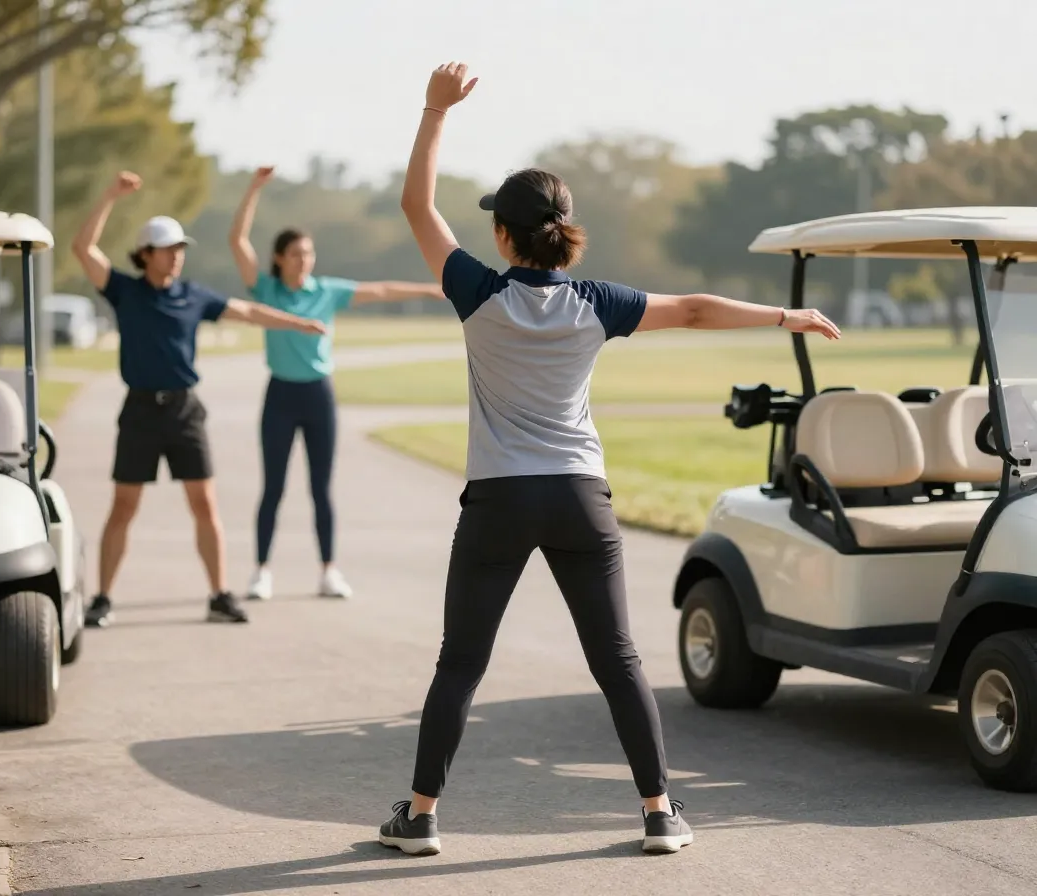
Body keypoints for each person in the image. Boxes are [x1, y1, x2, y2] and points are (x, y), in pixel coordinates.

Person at [379, 62, 842, 858]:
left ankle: (419, 818)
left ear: (504, 236)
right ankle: (660, 812)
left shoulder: (476, 292)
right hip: (579, 498)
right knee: (618, 660)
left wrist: (434, 110)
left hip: (499, 500)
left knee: (460, 664)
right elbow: (692, 309)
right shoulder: (596, 304)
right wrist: (784, 315)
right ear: (563, 231)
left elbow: (417, 206)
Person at [71, 170, 328, 628]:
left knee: (204, 504)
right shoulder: (124, 291)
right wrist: (110, 195)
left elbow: (247, 311)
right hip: (140, 410)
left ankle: (219, 595)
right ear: (146, 254)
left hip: (184, 411)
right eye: (167, 249)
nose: (176, 257)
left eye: (180, 249)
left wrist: (296, 323)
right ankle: (103, 598)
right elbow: (83, 249)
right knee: (124, 506)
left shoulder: (193, 296)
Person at [228, 166, 446, 601]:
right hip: (280, 395)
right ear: (279, 258)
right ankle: (261, 571)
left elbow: (380, 291)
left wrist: (429, 290)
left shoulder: (326, 290)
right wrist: (252, 189)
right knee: (273, 488)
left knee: (320, 489)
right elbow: (238, 241)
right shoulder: (266, 290)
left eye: (308, 253)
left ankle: (329, 571)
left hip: (318, 396)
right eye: (296, 254)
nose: (304, 260)